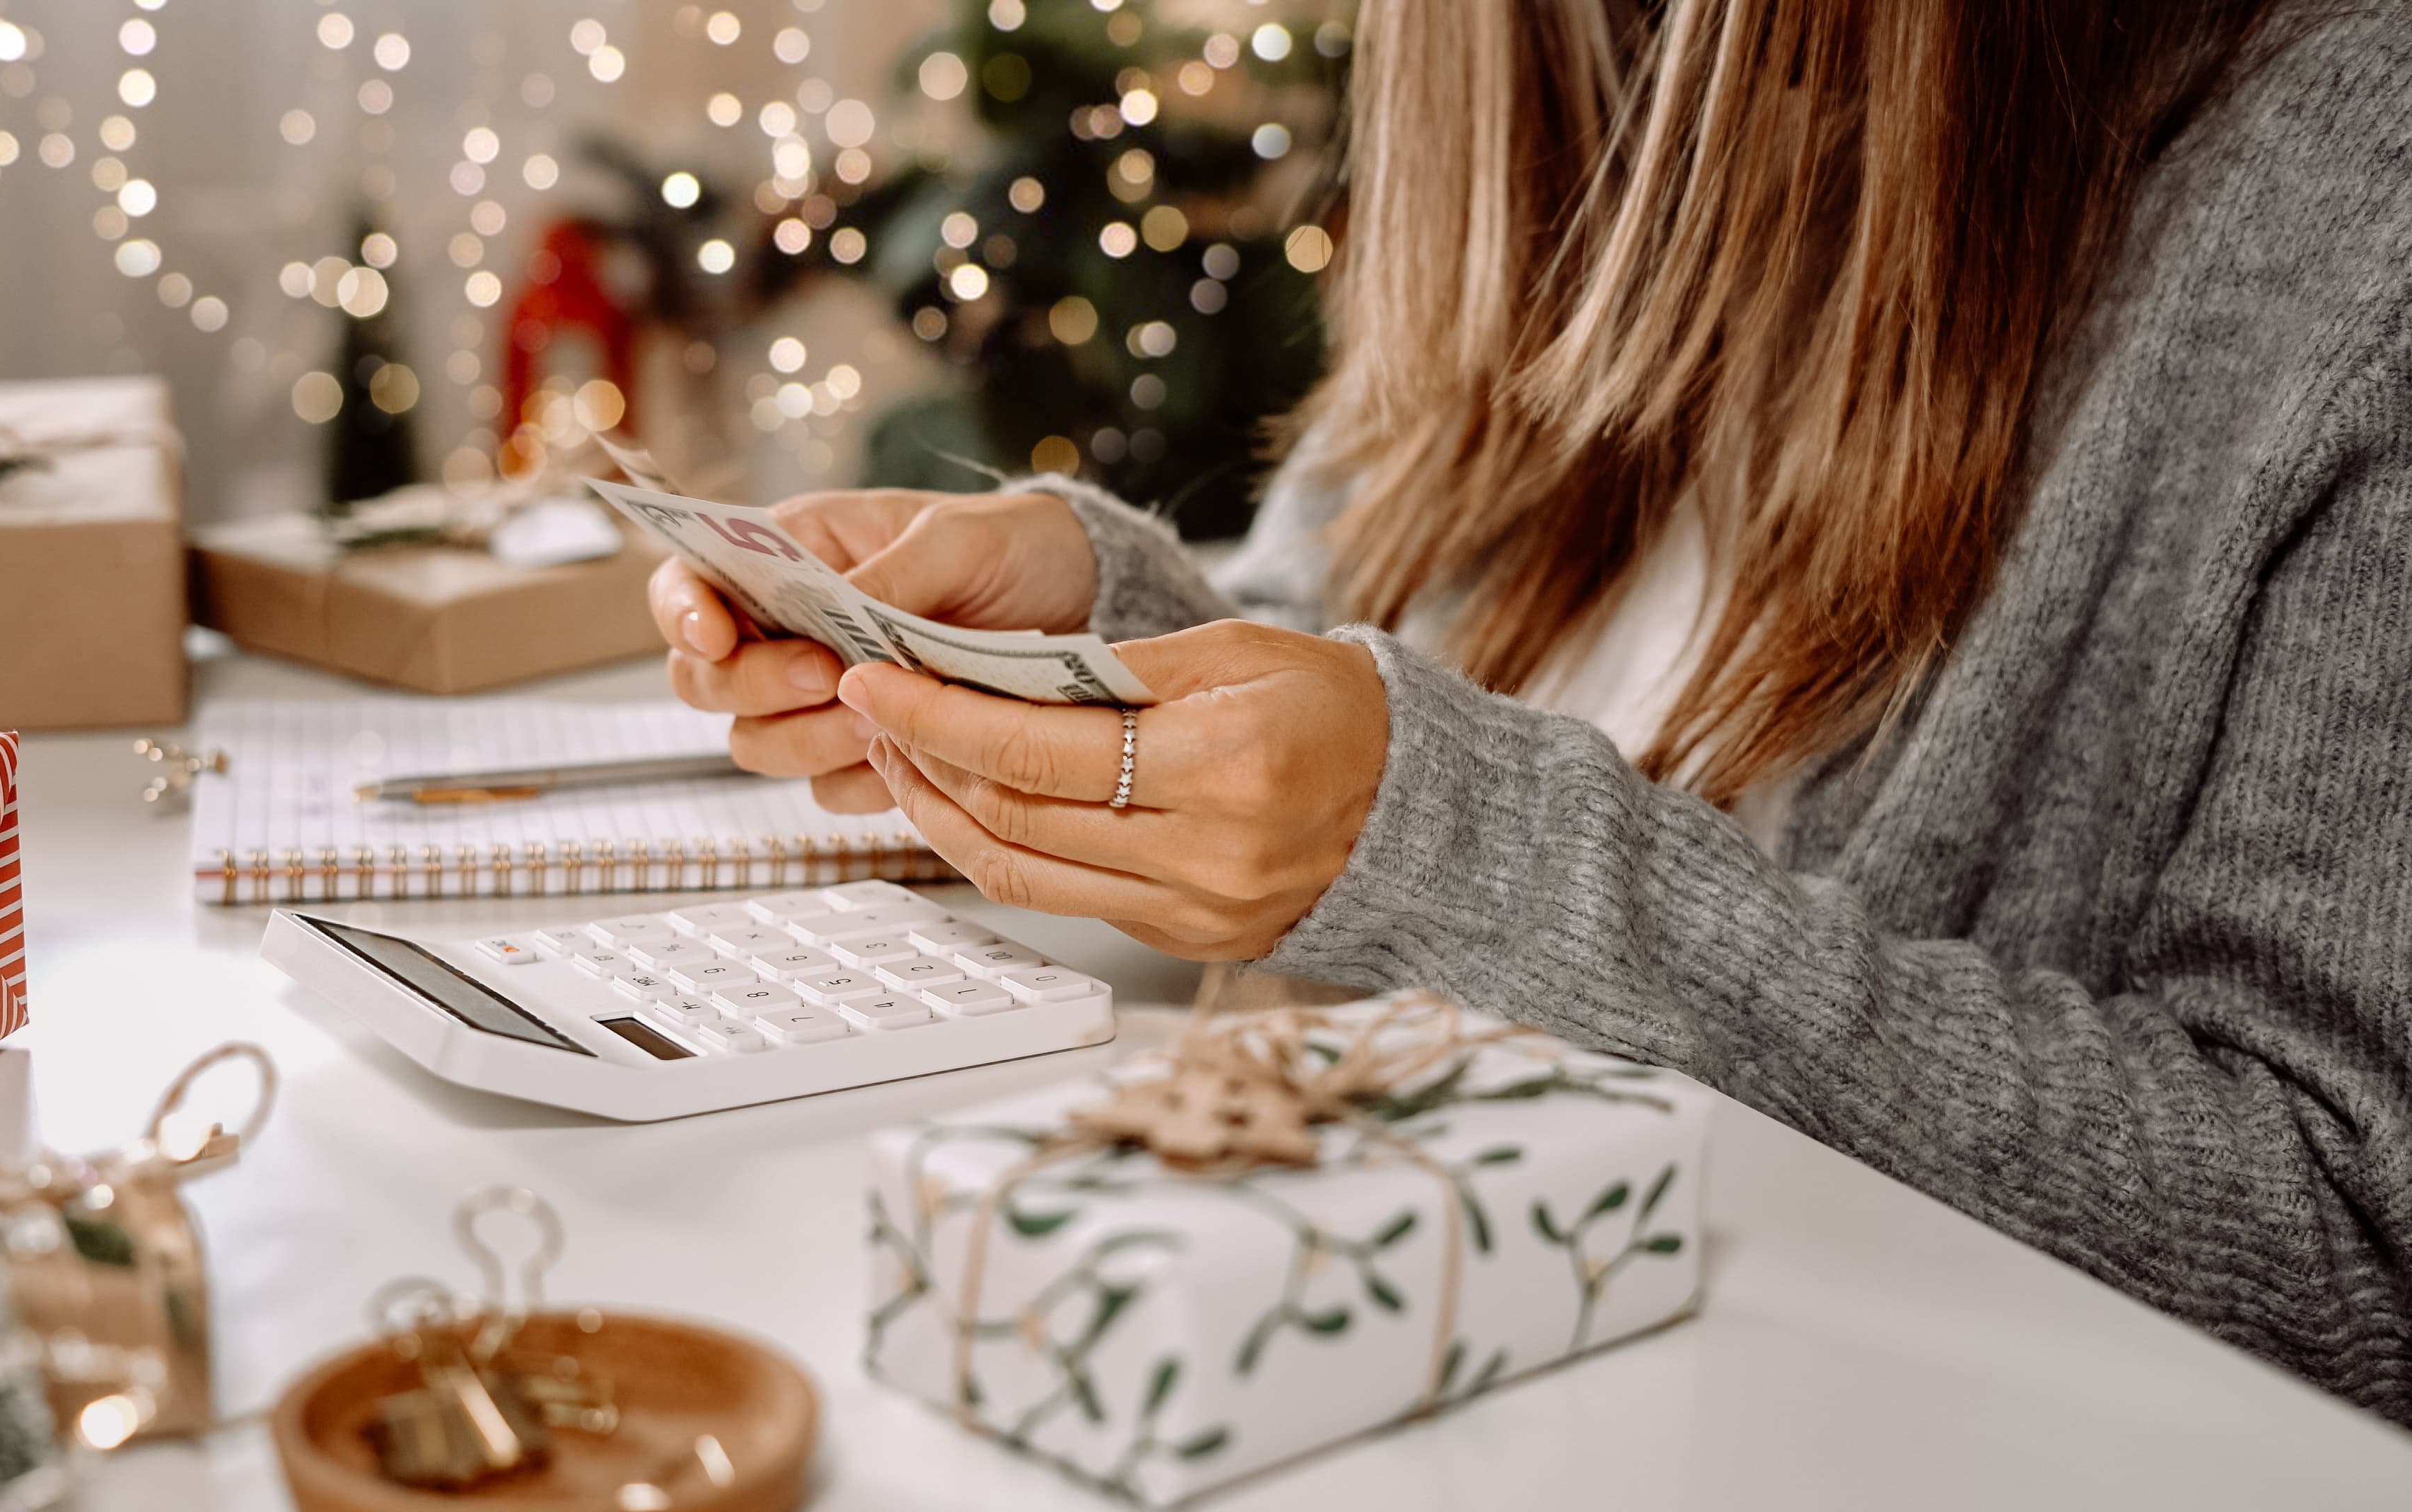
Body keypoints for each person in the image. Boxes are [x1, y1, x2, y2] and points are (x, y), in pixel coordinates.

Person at [653, 0, 2412, 1423]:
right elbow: (1355, 673)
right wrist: (1107, 625)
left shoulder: (2348, 199)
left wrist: (1456, 849)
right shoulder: (1559, 95)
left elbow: (2354, 1261)